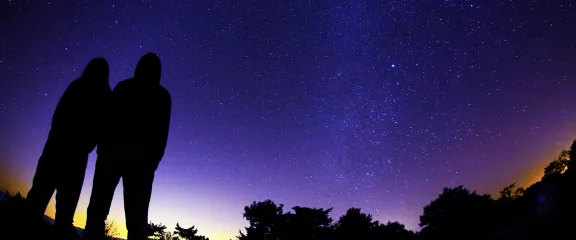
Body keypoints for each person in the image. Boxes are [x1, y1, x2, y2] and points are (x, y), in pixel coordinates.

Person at [84, 53, 172, 240]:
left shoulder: (124, 86)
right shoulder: (162, 95)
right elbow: (162, 134)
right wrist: (151, 162)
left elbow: (106, 118)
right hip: (136, 161)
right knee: (136, 219)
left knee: (99, 210)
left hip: (114, 155)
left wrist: (102, 148)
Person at [25, 58, 111, 238]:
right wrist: (86, 145)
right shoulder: (103, 94)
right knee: (63, 209)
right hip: (74, 156)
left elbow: (58, 117)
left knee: (38, 200)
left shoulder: (79, 86)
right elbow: (102, 129)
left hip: (57, 150)